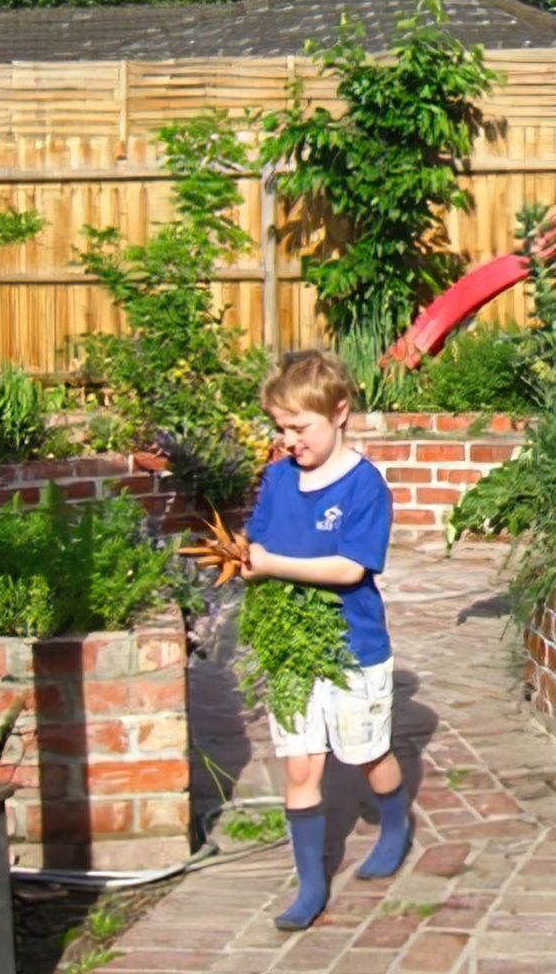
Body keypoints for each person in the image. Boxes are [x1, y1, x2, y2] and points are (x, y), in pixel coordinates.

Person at [237, 350, 407, 931]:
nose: (289, 440)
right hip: (292, 649)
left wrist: (272, 564)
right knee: (301, 767)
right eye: (280, 427)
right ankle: (311, 885)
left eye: (300, 427)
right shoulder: (279, 478)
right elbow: (255, 541)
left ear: (339, 413)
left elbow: (350, 570)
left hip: (353, 647)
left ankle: (395, 819)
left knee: (366, 755)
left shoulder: (365, 487)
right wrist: (242, 558)